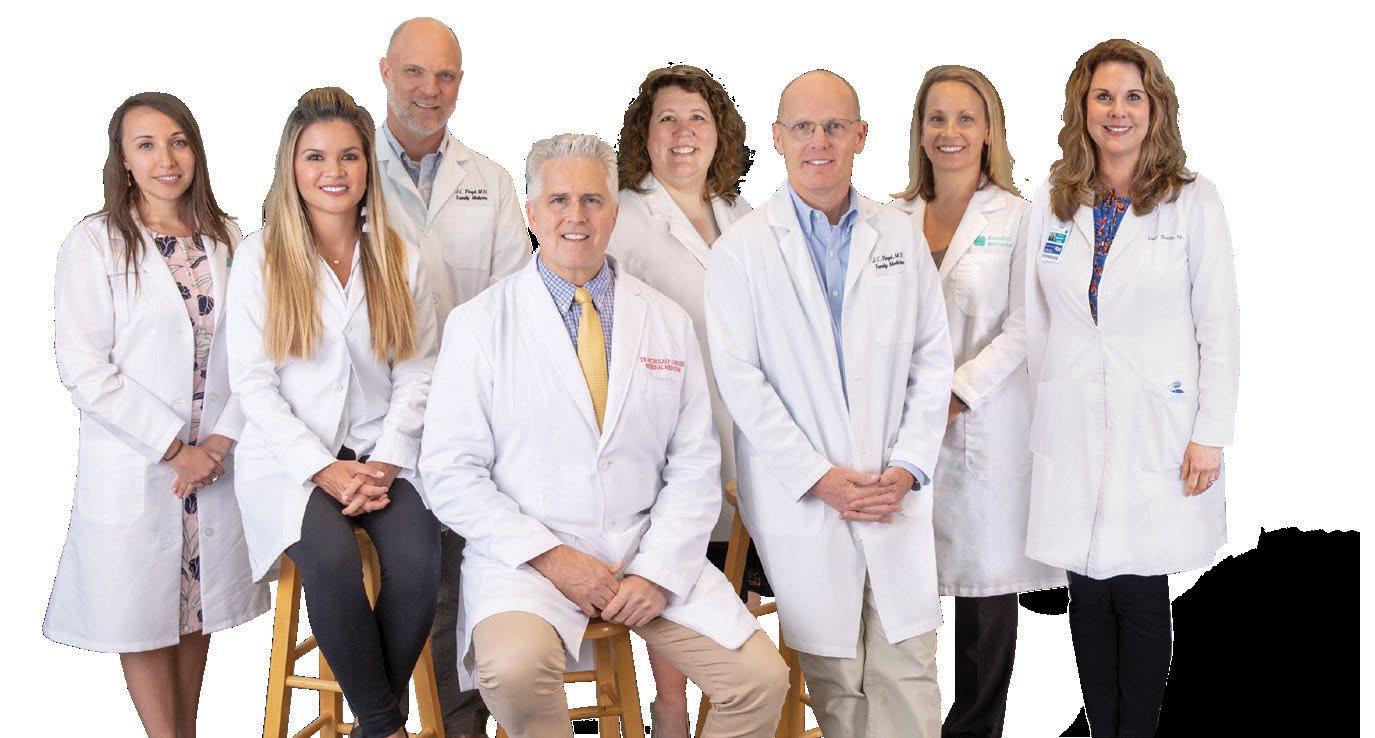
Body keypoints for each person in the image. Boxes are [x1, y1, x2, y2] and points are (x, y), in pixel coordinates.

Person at [419, 133, 788, 738]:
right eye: (559, 200)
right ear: (532, 213)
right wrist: (552, 558)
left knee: (760, 682)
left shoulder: (665, 320)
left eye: (592, 200)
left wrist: (658, 570)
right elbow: (449, 473)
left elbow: (694, 464)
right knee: (513, 672)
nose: (577, 216)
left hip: (645, 552)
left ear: (614, 213)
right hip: (530, 564)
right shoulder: (480, 325)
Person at [705, 70, 954, 738]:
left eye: (835, 126)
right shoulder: (741, 252)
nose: (820, 142)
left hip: (893, 488)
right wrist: (820, 477)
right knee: (838, 684)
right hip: (807, 497)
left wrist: (907, 467)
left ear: (860, 135)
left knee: (909, 671)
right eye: (804, 128)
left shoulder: (898, 235)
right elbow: (741, 383)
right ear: (778, 137)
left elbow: (932, 359)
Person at [1024, 39, 1240, 737]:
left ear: (1155, 109)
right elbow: (1033, 322)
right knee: (1087, 595)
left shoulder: (1191, 201)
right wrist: (1043, 415)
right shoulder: (1052, 200)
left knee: (1141, 595)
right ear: (1082, 109)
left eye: (1132, 97)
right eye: (1103, 97)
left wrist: (1210, 433)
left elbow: (1218, 325)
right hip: (1073, 424)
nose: (1117, 111)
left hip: (1158, 427)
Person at [45, 91, 268, 738]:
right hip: (144, 463)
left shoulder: (229, 238)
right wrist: (176, 449)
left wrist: (218, 444)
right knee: (141, 615)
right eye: (145, 145)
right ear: (122, 159)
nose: (165, 159)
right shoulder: (95, 242)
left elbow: (258, 352)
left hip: (216, 463)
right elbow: (84, 365)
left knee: (196, 610)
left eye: (177, 141)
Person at [227, 87, 441, 738]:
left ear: (368, 165)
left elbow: (418, 370)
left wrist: (387, 461)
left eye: (349, 155)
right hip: (290, 461)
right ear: (291, 167)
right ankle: (385, 726)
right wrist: (322, 468)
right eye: (315, 157)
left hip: (381, 454)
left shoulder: (401, 256)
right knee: (333, 564)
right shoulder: (259, 257)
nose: (333, 171)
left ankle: (375, 727)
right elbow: (253, 384)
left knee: (420, 562)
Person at [889, 65, 1065, 738]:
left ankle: (974, 732)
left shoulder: (1020, 218)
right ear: (919, 131)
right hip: (899, 426)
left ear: (989, 130)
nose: (950, 131)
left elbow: (1027, 324)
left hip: (982, 428)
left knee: (985, 598)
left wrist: (956, 396)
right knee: (902, 593)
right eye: (936, 118)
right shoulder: (890, 219)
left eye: (966, 118)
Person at [376, 20, 532, 735]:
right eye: (414, 72)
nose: (429, 90)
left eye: (444, 76)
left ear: (461, 84)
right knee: (405, 585)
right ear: (385, 71)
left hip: (472, 419)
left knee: (460, 587)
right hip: (372, 422)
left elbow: (512, 307)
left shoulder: (490, 182)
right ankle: (386, 719)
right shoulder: (340, 168)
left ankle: (459, 725)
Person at [605, 63, 767, 737]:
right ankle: (669, 712)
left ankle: (728, 709)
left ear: (718, 132)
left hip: (748, 425)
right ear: (643, 134)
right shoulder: (621, 216)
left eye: (696, 118)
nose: (682, 132)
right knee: (676, 561)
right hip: (662, 427)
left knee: (738, 565)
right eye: (666, 119)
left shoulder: (744, 215)